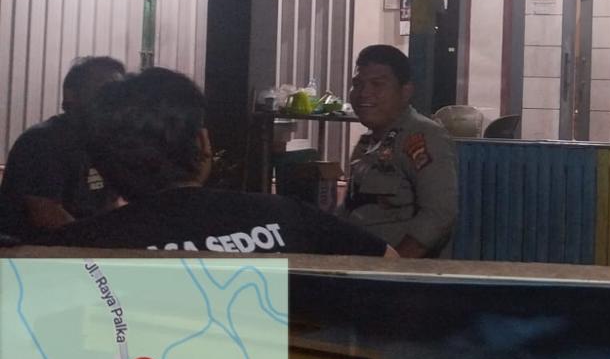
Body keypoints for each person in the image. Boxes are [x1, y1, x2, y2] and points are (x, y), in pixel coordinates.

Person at [45, 68, 393, 257]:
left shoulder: (72, 247)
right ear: (202, 143)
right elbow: (393, 266)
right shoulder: (289, 217)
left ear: (104, 166)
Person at [340, 45, 457, 257]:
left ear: (405, 92)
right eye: (357, 84)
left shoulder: (423, 136)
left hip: (397, 273)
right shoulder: (368, 142)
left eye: (377, 84)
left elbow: (439, 214)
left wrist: (394, 265)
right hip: (357, 264)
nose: (364, 93)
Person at [0, 55, 125, 239]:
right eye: (104, 89)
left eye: (118, 92)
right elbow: (46, 214)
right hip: (37, 251)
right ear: (70, 95)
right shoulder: (43, 141)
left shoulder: (105, 143)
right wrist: (103, 245)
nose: (113, 99)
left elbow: (110, 206)